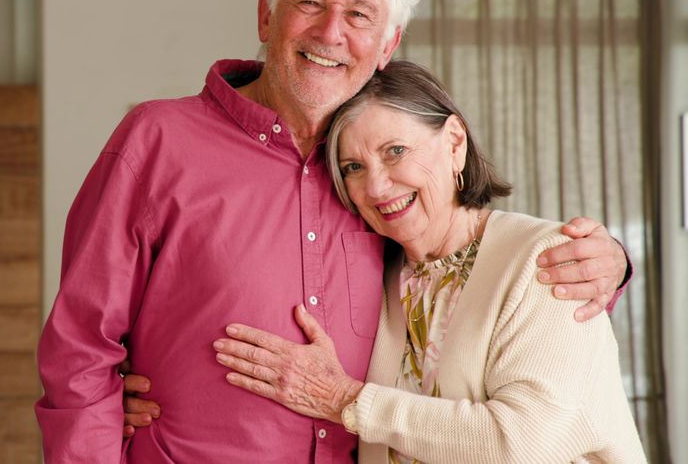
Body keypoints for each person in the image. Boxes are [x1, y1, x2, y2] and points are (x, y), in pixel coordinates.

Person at [36, 0, 630, 462]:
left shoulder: (383, 186)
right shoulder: (157, 139)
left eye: (360, 15)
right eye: (310, 3)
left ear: (387, 45)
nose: (330, 32)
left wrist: (610, 265)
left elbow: (474, 279)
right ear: (267, 16)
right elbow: (81, 345)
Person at [208, 60, 646, 462]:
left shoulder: (547, 257)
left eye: (395, 151)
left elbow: (523, 443)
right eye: (353, 167)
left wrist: (344, 399)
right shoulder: (377, 277)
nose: (377, 187)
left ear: (455, 142)